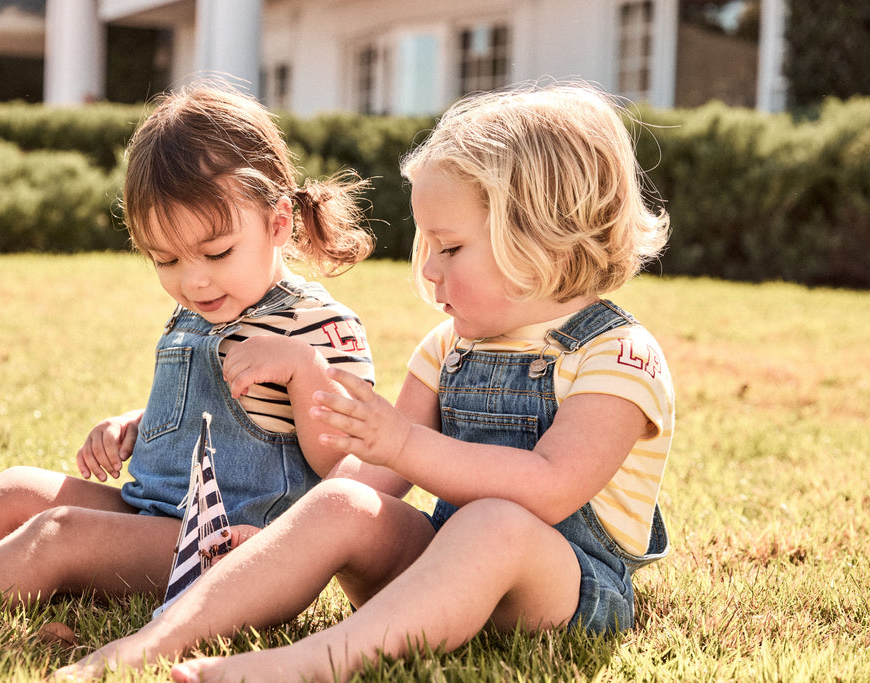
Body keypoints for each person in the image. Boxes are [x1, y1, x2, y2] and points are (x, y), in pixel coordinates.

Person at [55, 81, 674, 682]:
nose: (428, 269)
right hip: (441, 567)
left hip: (565, 593)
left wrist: (404, 443)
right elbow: (370, 478)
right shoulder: (447, 349)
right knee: (342, 501)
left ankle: (312, 664)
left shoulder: (617, 355)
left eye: (450, 248)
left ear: (545, 239)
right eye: (426, 244)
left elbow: (550, 489)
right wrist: (279, 538)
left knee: (494, 523)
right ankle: (153, 642)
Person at [0, 84, 376, 617]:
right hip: (155, 517)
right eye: (166, 260)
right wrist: (137, 425)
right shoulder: (201, 310)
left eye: (217, 253)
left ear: (278, 222)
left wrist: (303, 369)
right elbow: (211, 413)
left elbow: (350, 468)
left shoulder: (319, 325)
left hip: (236, 551)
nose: (193, 281)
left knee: (59, 533)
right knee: (17, 489)